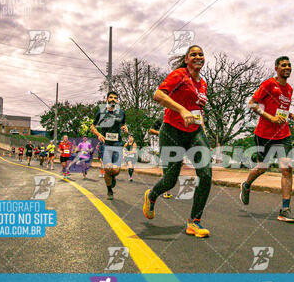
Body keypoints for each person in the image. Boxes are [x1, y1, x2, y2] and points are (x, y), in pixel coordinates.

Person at [142, 45, 212, 238]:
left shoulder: (203, 84)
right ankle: (152, 195)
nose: (198, 56)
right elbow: (158, 95)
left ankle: (194, 222)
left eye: (201, 54)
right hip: (172, 132)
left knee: (206, 174)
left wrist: (203, 134)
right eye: (193, 54)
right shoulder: (179, 75)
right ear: (187, 59)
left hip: (195, 132)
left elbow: (197, 111)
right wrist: (181, 110)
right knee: (170, 180)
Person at [239, 56, 294, 223]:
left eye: (289, 65)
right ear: (276, 68)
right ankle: (246, 185)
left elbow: (282, 110)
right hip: (264, 134)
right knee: (262, 167)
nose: (287, 67)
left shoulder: (289, 89)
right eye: (283, 65)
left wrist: (293, 115)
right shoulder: (268, 84)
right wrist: (269, 118)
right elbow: (252, 104)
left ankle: (285, 209)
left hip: (283, 134)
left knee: (287, 169)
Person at [90, 91, 128, 199]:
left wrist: (125, 128)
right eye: (110, 97)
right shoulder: (101, 112)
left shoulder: (121, 112)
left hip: (117, 143)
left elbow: (123, 124)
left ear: (117, 100)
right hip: (105, 143)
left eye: (115, 98)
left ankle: (113, 177)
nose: (113, 99)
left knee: (115, 170)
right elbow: (92, 126)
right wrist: (98, 134)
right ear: (107, 99)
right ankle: (109, 190)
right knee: (107, 169)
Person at [148, 118, 172, 199]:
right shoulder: (162, 118)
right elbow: (151, 130)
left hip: (177, 146)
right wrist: (161, 133)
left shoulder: (180, 115)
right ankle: (166, 191)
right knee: (167, 167)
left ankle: (158, 190)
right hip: (165, 144)